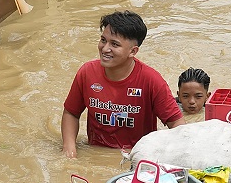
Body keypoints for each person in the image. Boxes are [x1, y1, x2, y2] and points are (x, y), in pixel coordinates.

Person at [61, 11, 183, 158]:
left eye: (114, 44)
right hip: (95, 154)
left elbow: (177, 124)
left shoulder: (151, 80)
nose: (105, 49)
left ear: (133, 51)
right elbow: (71, 113)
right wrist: (69, 151)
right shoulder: (87, 73)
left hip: (136, 158)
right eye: (103, 40)